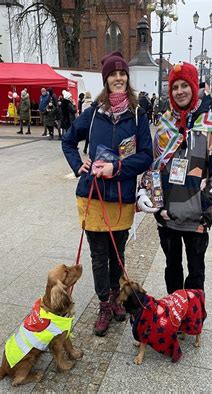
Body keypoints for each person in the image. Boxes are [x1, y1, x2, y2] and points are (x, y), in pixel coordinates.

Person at [62, 51, 153, 337]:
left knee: (117, 253)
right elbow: (67, 141)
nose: (118, 78)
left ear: (127, 79)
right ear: (106, 80)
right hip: (92, 195)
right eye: (113, 74)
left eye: (122, 74)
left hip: (122, 196)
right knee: (99, 255)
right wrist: (79, 164)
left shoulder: (138, 115)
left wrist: (117, 168)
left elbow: (146, 156)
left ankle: (116, 298)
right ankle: (104, 303)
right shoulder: (91, 115)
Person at [137, 62, 212, 296]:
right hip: (166, 216)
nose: (179, 91)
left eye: (184, 86)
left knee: (196, 272)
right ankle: (174, 314)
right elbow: (153, 166)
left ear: (193, 87)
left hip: (196, 218)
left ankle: (192, 318)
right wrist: (147, 194)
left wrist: (200, 203)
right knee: (172, 269)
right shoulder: (164, 125)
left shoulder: (211, 127)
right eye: (175, 87)